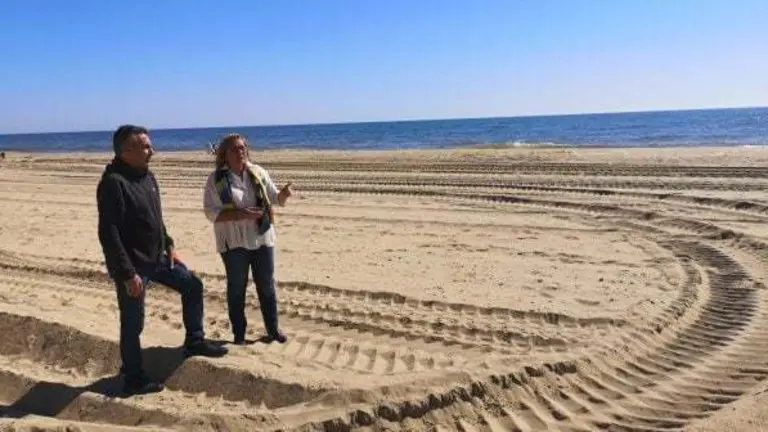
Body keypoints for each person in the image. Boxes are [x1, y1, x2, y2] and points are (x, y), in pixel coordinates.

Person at [97, 124, 228, 396]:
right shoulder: (112, 183)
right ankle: (133, 377)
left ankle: (194, 341)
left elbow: (155, 217)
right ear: (126, 151)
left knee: (192, 286)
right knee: (133, 322)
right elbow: (109, 233)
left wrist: (168, 244)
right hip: (132, 265)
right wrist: (127, 274)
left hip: (157, 258)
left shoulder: (147, 176)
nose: (152, 150)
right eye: (146, 146)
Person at [203, 133, 293, 345]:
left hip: (262, 237)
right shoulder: (216, 180)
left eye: (242, 148)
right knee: (237, 288)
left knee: (266, 286)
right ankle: (239, 334)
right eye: (234, 149)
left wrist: (284, 194)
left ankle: (273, 330)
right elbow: (210, 212)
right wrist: (241, 214)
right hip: (233, 242)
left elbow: (274, 198)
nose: (240, 152)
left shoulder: (258, 172)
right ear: (224, 154)